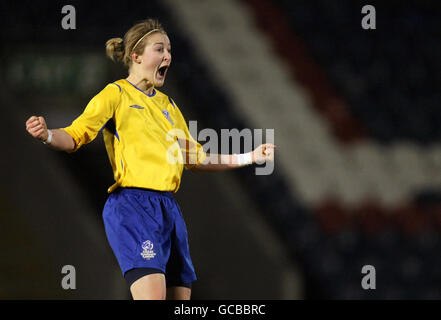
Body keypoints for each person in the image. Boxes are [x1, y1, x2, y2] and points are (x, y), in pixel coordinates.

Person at [25, 19, 276, 300]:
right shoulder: (116, 94)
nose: (167, 55)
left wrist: (249, 156)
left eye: (169, 49)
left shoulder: (168, 105)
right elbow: (75, 135)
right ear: (136, 56)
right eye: (160, 49)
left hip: (168, 209)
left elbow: (195, 158)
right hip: (132, 207)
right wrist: (47, 135)